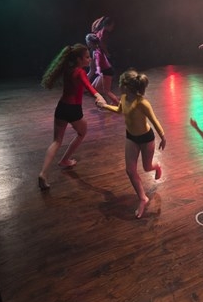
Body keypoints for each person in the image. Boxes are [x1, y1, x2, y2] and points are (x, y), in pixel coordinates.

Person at [98, 69, 166, 219]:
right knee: (130, 170)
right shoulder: (123, 97)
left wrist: (163, 137)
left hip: (146, 138)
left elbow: (154, 120)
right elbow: (119, 110)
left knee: (147, 167)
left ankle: (157, 166)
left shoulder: (142, 103)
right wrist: (104, 106)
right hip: (131, 137)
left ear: (127, 86)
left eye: (120, 83)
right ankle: (143, 198)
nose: (118, 86)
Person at [38, 44, 105, 190]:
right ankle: (65, 159)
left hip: (61, 107)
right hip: (73, 109)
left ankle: (43, 173)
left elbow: (84, 82)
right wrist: (99, 96)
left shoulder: (68, 70)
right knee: (82, 133)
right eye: (87, 57)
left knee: (56, 141)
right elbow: (88, 86)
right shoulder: (80, 72)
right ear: (78, 59)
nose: (89, 59)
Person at [86, 33, 119, 105]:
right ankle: (109, 101)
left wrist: (98, 70)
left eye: (87, 41)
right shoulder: (95, 50)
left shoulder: (97, 51)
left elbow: (98, 62)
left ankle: (118, 103)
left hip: (107, 72)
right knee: (94, 89)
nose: (86, 43)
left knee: (107, 91)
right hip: (104, 72)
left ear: (90, 42)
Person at [88, 16, 116, 82]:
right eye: (112, 26)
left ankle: (81, 84)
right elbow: (101, 43)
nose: (112, 28)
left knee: (92, 71)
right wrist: (107, 53)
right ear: (108, 25)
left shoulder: (99, 30)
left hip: (93, 51)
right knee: (104, 72)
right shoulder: (104, 32)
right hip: (97, 53)